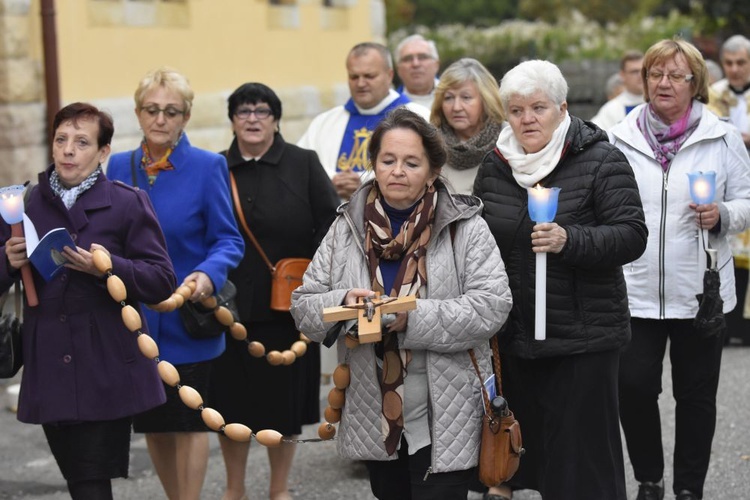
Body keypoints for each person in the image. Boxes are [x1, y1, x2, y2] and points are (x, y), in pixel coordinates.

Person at [291, 107, 512, 500]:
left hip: (446, 411)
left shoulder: (464, 225)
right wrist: (342, 300)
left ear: (431, 171)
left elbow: (491, 305)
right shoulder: (346, 227)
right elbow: (304, 306)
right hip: (373, 412)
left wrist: (409, 318)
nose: (397, 171)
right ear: (374, 164)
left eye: (411, 162)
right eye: (388, 160)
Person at [474, 59, 648, 500]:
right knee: (532, 456)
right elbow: (479, 237)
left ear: (562, 108)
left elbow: (631, 235)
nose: (527, 119)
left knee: (583, 462)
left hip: (582, 338)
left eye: (539, 108)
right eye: (516, 110)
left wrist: (570, 239)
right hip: (518, 338)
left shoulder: (600, 158)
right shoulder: (496, 166)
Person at [0, 102, 176, 499]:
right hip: (49, 365)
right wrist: (7, 263)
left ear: (102, 153)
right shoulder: (24, 206)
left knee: (89, 480)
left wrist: (108, 269)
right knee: (80, 479)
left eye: (81, 142)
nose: (68, 150)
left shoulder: (127, 203)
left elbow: (162, 280)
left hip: (107, 364)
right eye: (61, 140)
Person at [609, 38, 750, 500]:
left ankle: (690, 489)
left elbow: (748, 201)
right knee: (632, 388)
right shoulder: (619, 136)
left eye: (675, 75)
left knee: (695, 397)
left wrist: (723, 215)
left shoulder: (723, 135)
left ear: (696, 84)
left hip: (700, 293)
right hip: (636, 289)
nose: (663, 83)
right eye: (655, 74)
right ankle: (650, 478)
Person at [107, 67, 245, 500]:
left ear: (186, 116)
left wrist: (208, 274)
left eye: (171, 111)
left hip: (188, 320)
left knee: (188, 423)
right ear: (138, 113)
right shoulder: (116, 165)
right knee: (155, 423)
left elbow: (228, 238)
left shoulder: (208, 166)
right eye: (152, 110)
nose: (161, 119)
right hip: (135, 323)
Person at [208, 82, 339, 500]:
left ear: (276, 119)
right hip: (228, 306)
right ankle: (234, 489)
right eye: (243, 111)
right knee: (229, 407)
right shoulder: (215, 168)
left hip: (288, 307)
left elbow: (330, 225)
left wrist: (314, 278)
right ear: (232, 119)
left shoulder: (303, 163)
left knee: (281, 409)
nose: (252, 118)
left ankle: (278, 490)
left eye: (261, 111)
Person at [297, 42, 430, 201]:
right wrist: (330, 181)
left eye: (369, 76)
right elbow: (299, 165)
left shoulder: (419, 117)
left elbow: (428, 169)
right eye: (354, 77)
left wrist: (363, 183)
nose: (360, 84)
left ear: (389, 75)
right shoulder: (325, 122)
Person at [707, 35, 750, 346]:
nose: (734, 69)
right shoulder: (713, 94)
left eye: (741, 63)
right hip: (725, 181)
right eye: (729, 63)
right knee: (726, 250)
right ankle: (724, 320)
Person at [430, 58, 504, 195]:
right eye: (448, 98)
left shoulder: (508, 140)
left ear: (486, 100)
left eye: (466, 97)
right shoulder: (430, 144)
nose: (456, 107)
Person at [591, 50, 645, 130]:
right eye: (634, 72)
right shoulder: (611, 109)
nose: (640, 75)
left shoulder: (659, 103)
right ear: (622, 75)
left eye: (643, 70)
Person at [395, 34, 441, 109]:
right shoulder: (390, 108)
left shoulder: (455, 98)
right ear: (398, 69)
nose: (415, 64)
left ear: (436, 65)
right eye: (408, 59)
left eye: (422, 57)